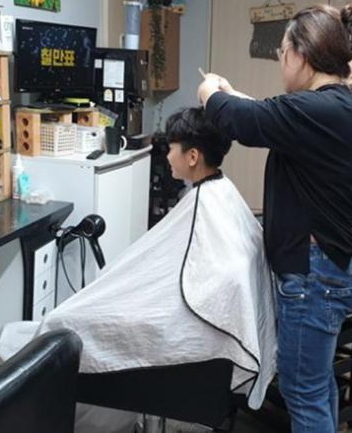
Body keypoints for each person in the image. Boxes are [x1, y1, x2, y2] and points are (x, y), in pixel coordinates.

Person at [30, 107, 277, 411]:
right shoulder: (221, 191)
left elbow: (216, 284)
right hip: (200, 334)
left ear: (192, 156)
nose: (167, 156)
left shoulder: (206, 202)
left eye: (171, 148)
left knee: (60, 324)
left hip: (194, 343)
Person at [197, 4, 352, 433]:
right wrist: (231, 95)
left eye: (282, 51)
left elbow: (247, 121)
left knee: (302, 391)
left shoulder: (320, 109)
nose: (280, 60)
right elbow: (267, 115)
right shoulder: (330, 105)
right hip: (322, 270)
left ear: (301, 55)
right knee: (317, 384)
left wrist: (210, 94)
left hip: (314, 277)